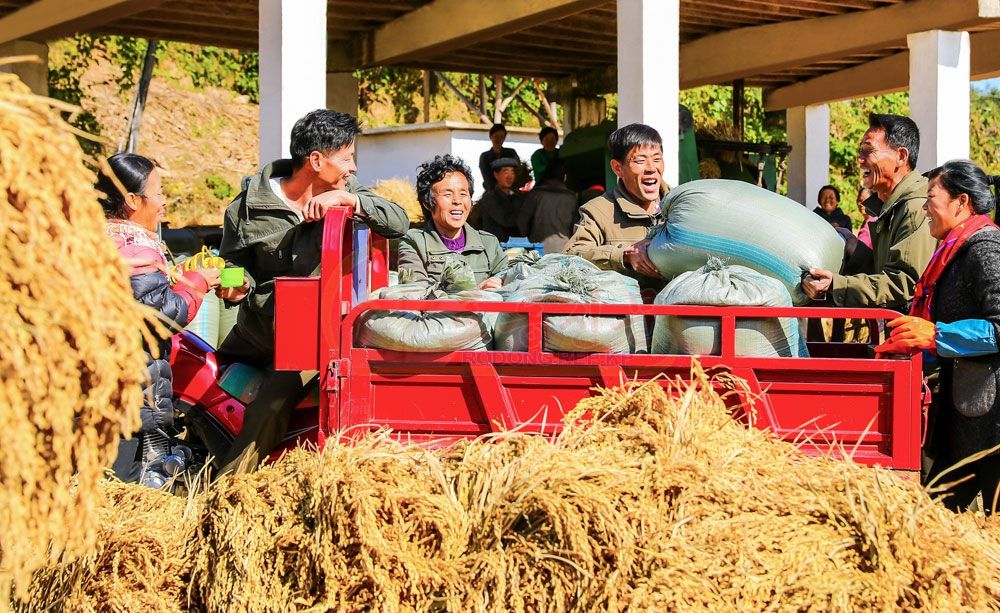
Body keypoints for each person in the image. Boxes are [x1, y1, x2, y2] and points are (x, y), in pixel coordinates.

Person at [216, 109, 408, 473]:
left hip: (309, 341)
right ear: (316, 160)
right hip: (255, 333)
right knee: (205, 392)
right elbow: (232, 265)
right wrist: (236, 286)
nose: (352, 168)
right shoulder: (246, 209)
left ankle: (226, 490)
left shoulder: (347, 193)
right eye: (347, 158)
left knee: (269, 407)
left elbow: (397, 221)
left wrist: (351, 203)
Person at [874, 160, 1000, 512]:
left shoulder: (984, 249)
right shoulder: (954, 248)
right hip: (964, 407)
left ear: (961, 202)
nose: (925, 207)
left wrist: (936, 335)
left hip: (989, 418)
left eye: (931, 197)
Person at [100, 153, 221, 488]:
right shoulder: (134, 249)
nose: (164, 202)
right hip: (127, 389)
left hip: (101, 386)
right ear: (131, 200)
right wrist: (197, 283)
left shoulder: (94, 239)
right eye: (158, 193)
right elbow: (161, 316)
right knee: (121, 485)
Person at [802, 114, 936, 310]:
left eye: (868, 151)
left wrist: (836, 284)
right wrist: (853, 249)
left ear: (901, 156)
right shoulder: (892, 207)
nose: (859, 160)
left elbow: (903, 285)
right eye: (860, 151)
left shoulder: (916, 208)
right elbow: (882, 270)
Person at [563, 122, 668, 293]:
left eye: (657, 159)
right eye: (640, 161)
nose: (651, 168)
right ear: (618, 168)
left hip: (677, 316)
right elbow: (571, 256)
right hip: (625, 315)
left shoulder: (681, 205)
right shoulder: (598, 211)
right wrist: (623, 255)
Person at [398, 154, 508, 289]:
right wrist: (476, 293)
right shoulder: (414, 242)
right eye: (447, 195)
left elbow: (509, 283)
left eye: (463, 194)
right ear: (427, 203)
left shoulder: (489, 244)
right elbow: (414, 292)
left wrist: (499, 284)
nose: (457, 201)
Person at [517, 158, 578, 254]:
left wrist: (529, 239)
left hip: (537, 249)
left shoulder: (536, 194)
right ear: (564, 177)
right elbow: (575, 227)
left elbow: (522, 222)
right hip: (564, 249)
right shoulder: (571, 197)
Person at [473, 157, 523, 242]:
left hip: (516, 245)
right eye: (505, 171)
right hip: (496, 246)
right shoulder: (490, 198)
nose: (509, 176)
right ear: (496, 175)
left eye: (512, 172)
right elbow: (506, 220)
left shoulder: (517, 196)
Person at [478, 123, 519, 192]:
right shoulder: (485, 156)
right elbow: (487, 178)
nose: (499, 139)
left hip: (511, 191)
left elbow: (517, 172)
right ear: (490, 136)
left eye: (502, 137)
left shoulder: (511, 153)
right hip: (492, 192)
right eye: (496, 136)